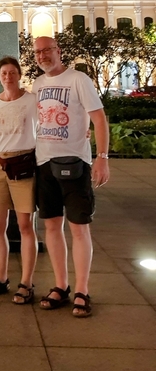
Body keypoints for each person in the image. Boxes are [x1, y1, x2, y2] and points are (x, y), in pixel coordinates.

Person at [32, 36, 110, 318]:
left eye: (47, 50)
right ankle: (61, 285)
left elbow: (99, 118)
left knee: (79, 228)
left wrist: (102, 157)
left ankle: (82, 290)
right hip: (44, 163)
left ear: (58, 51)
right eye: (38, 52)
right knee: (52, 227)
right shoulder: (39, 84)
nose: (42, 56)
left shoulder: (79, 79)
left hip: (75, 163)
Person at [0, 56, 38, 304]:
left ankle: (26, 283)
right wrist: (0, 147)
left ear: (19, 75)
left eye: (12, 72)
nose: (8, 77)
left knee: (25, 226)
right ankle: (1, 278)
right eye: (4, 73)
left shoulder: (32, 101)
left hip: (23, 166)